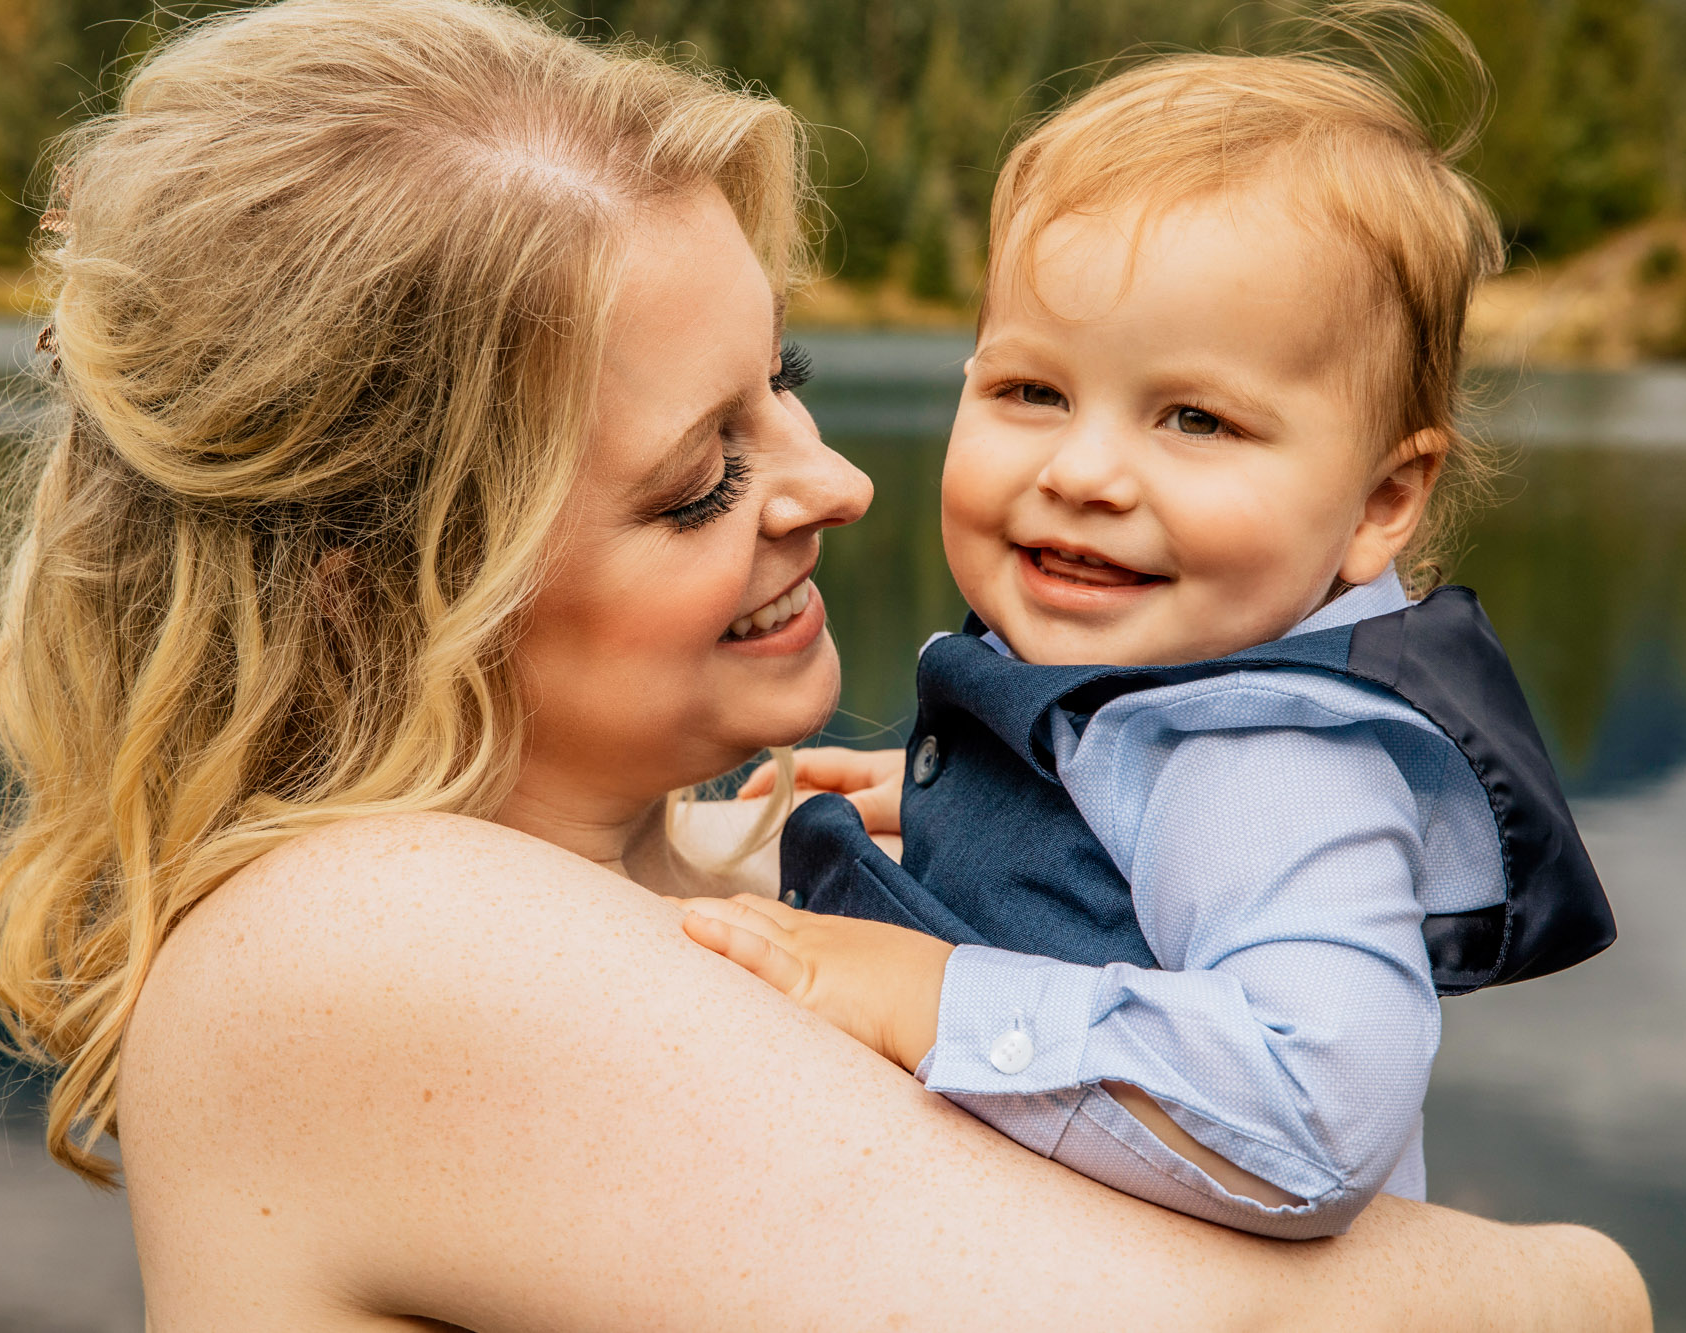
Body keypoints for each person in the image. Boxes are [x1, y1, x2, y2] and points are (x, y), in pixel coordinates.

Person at [0, 0, 1650, 1326]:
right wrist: (1578, 1280)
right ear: (369, 590)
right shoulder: (358, 930)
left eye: (791, 377)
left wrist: (1008, 855)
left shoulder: (729, 867)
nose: (834, 483)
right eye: (699, 481)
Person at [681, 22, 1616, 1240]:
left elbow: (1319, 1113)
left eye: (1194, 419)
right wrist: (966, 800)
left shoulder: (1273, 765)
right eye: (1032, 391)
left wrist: (928, 991)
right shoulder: (1166, 711)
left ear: (1383, 500)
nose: (1083, 471)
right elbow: (1150, 837)